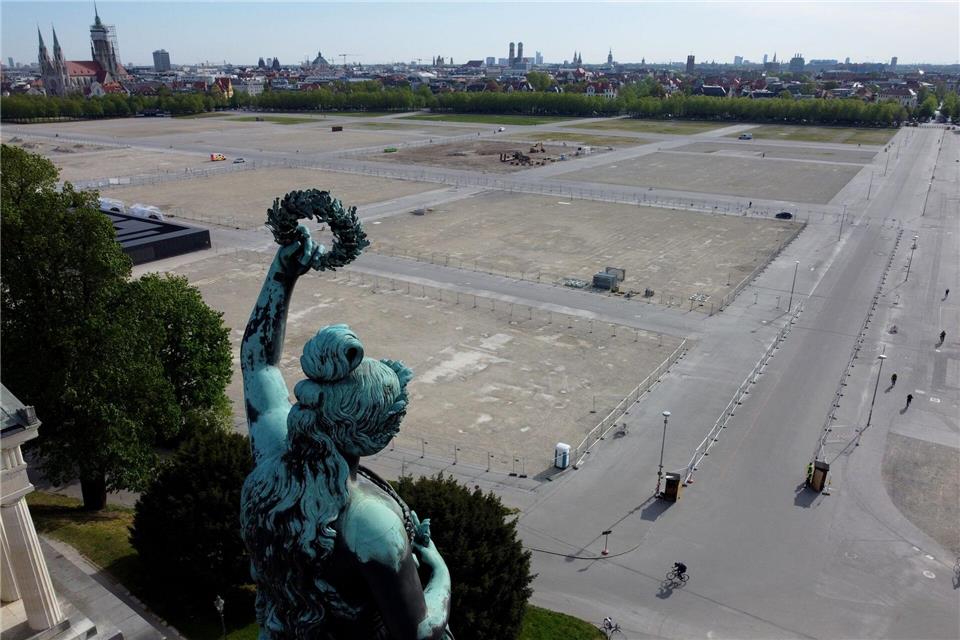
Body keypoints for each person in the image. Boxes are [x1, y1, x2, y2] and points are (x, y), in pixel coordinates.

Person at [240, 218, 452, 639]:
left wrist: (283, 272)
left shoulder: (273, 455)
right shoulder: (370, 524)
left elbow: (257, 361)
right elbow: (418, 633)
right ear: (373, 435)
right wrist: (441, 572)